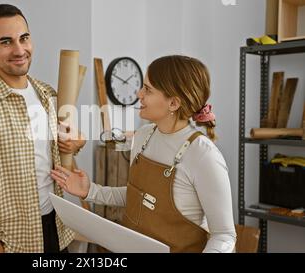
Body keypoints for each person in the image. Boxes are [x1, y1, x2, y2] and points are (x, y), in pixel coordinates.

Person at [51, 55, 237, 253]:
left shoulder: (203, 155)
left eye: (148, 89)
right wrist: (90, 191)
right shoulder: (144, 136)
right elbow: (139, 198)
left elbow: (224, 235)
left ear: (173, 103)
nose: (139, 94)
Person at [0, 4, 85, 253]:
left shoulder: (48, 95)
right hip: (11, 243)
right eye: (6, 42)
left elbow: (55, 154)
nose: (19, 50)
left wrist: (76, 144)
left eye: (24, 38)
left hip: (56, 228)